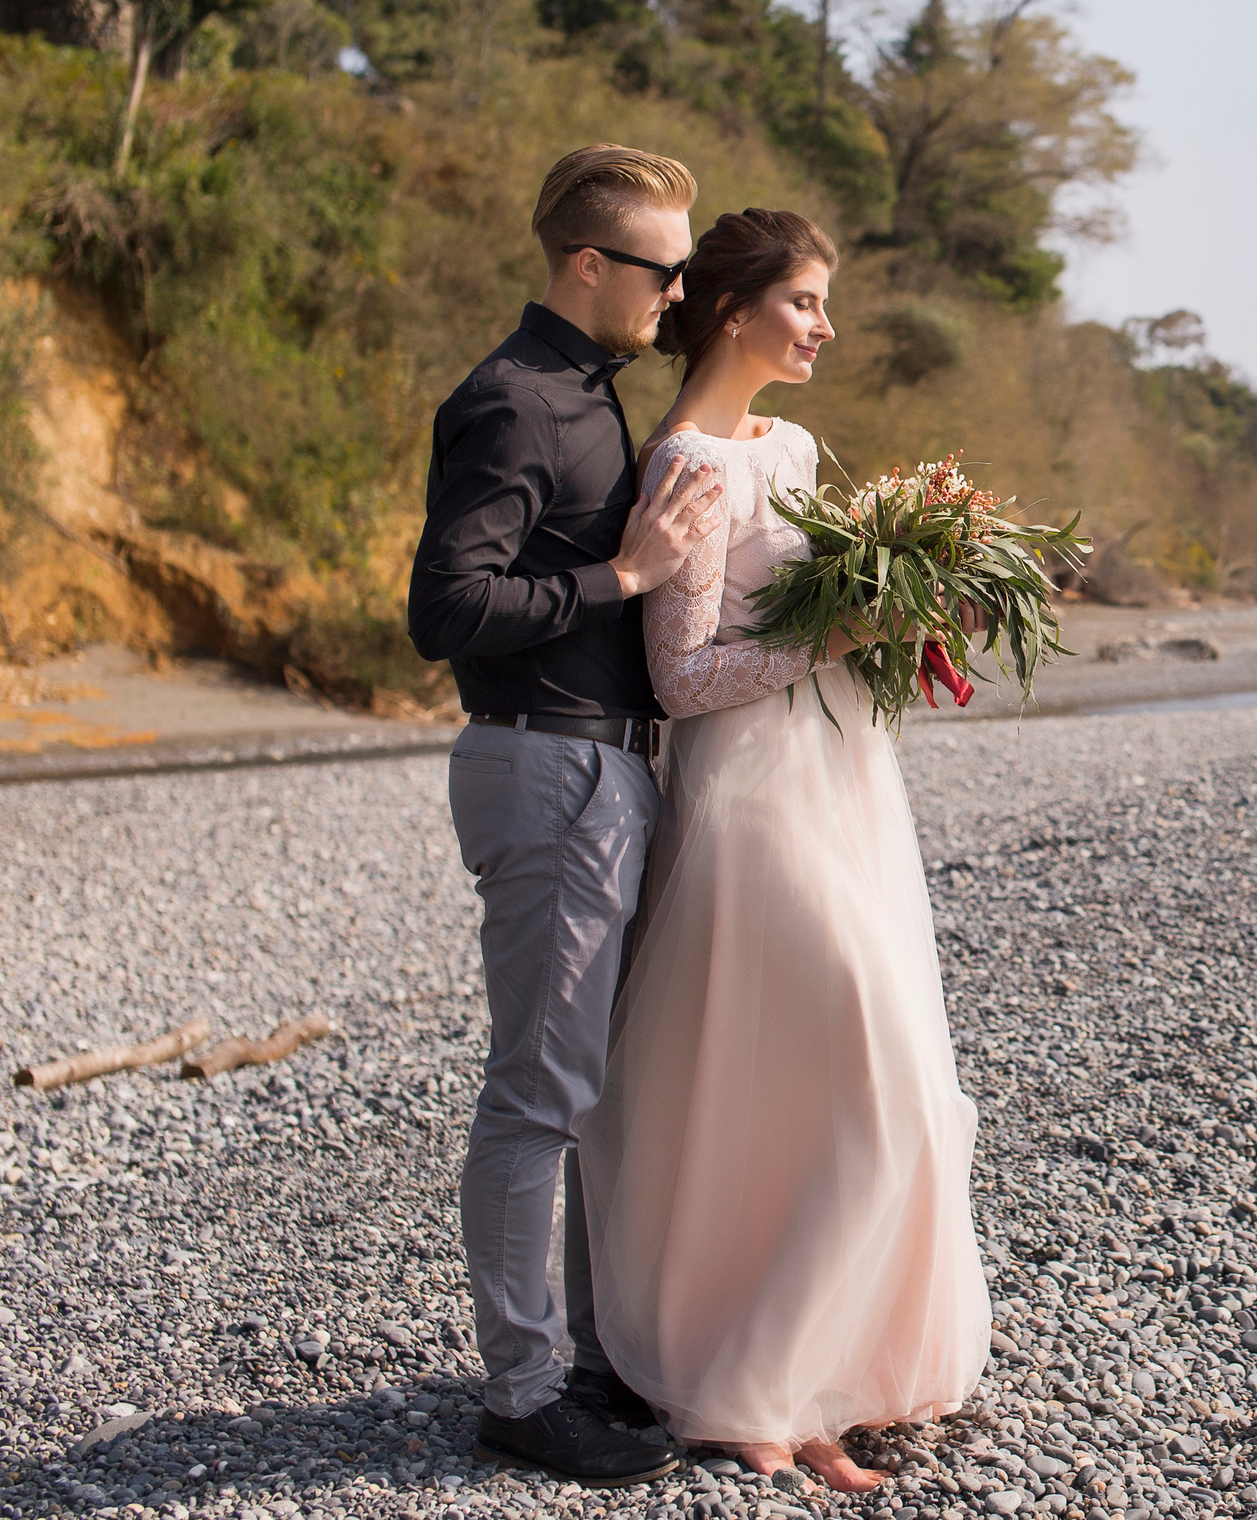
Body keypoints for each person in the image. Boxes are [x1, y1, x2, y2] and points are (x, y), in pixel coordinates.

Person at [576, 208, 991, 1492]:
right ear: (736, 306)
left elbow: (824, 606)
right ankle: (747, 1387)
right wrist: (844, 637)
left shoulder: (796, 445)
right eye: (805, 301)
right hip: (751, 812)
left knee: (862, 1087)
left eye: (823, 303)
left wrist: (910, 596)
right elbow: (684, 677)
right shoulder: (688, 464)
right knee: (867, 1088)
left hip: (843, 787)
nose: (823, 325)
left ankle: (820, 1383)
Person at [408, 144, 725, 1487]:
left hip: (602, 765)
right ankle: (524, 1390)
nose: (680, 294)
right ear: (589, 265)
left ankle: (594, 1356)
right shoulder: (516, 401)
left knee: (588, 1089)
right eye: (665, 271)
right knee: (537, 1092)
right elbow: (445, 609)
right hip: (545, 762)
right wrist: (625, 572)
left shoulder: (593, 396)